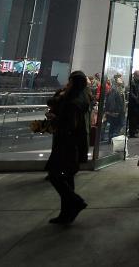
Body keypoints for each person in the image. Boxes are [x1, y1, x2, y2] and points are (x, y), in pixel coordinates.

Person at [46, 71, 91, 224]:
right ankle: (67, 213)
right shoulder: (81, 97)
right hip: (74, 145)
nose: (68, 84)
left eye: (70, 81)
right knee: (67, 177)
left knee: (55, 175)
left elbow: (70, 125)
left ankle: (75, 202)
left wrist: (55, 119)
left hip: (67, 145)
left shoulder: (73, 102)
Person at [127, 70, 139, 137]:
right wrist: (136, 99)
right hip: (133, 104)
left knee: (137, 118)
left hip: (138, 104)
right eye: (138, 76)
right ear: (134, 75)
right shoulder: (132, 82)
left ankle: (134, 131)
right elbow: (130, 93)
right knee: (132, 119)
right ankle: (132, 133)